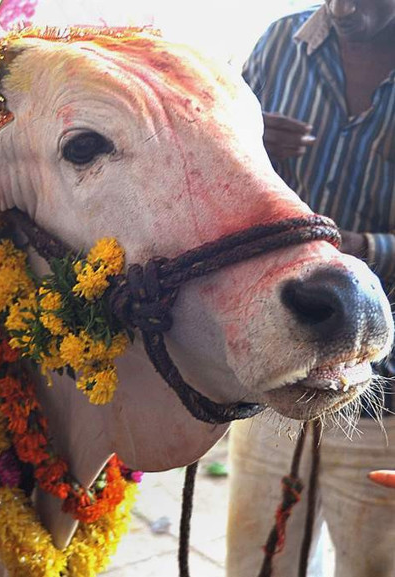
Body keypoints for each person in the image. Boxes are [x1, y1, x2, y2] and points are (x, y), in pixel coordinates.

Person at [226, 1, 395, 576]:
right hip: (277, 376)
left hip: (383, 401)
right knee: (259, 562)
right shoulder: (280, 43)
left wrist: (364, 250)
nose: (344, 7)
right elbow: (212, 176)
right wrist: (248, 144)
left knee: (374, 564)